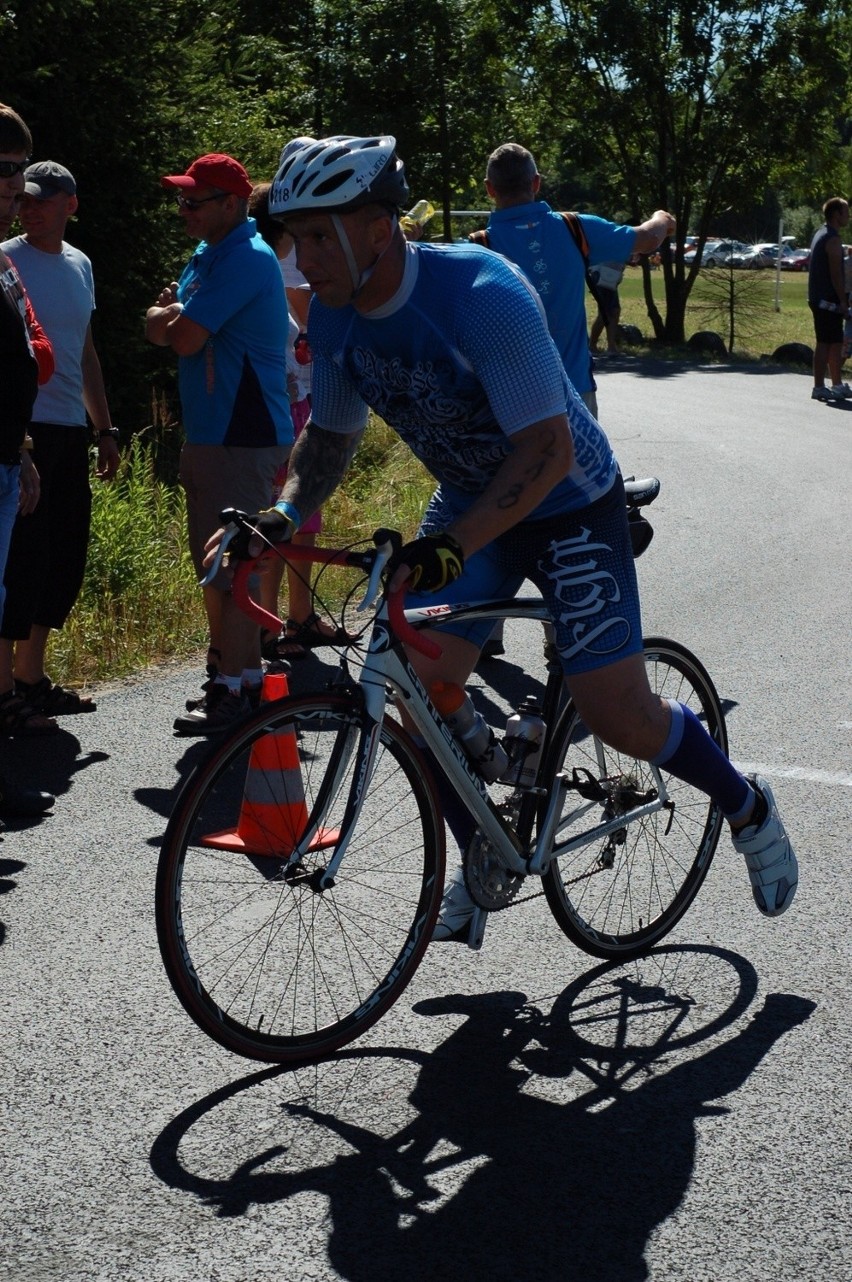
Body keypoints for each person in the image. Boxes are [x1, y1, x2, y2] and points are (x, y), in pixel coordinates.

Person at [208, 134, 798, 944]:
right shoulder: (339, 318)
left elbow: (549, 450)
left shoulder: (479, 292)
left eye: (318, 236)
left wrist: (453, 545)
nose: (301, 259)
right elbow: (332, 441)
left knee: (618, 713)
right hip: (473, 498)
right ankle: (483, 843)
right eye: (296, 238)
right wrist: (280, 515)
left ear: (378, 228)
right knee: (416, 677)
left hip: (569, 500)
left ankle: (746, 804)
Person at [145, 153, 292, 733]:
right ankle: (229, 676)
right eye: (180, 199)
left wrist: (167, 316)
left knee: (233, 570)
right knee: (215, 570)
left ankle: (239, 690)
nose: (183, 210)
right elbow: (167, 325)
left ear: (231, 204)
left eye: (194, 201)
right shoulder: (208, 255)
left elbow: (178, 337)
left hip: (242, 434)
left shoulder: (246, 259)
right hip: (212, 434)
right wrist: (167, 317)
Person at [1, 159, 119, 721]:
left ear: (70, 204)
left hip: (71, 429)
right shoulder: (8, 260)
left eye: (42, 199)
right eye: (24, 197)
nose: (29, 206)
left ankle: (31, 676)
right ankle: (8, 693)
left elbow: (85, 351)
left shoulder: (81, 264)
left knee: (64, 555)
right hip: (26, 431)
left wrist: (106, 429)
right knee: (24, 558)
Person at [475, 143, 674, 419]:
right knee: (586, 463)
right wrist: (661, 218)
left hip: (508, 401)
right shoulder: (574, 228)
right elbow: (648, 238)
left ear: (489, 188)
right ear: (536, 183)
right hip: (574, 392)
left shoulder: (476, 248)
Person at [246, 180, 346, 661]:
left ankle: (299, 618)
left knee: (303, 518)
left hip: (306, 397)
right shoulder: (265, 259)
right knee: (277, 518)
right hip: (282, 404)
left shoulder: (291, 252)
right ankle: (268, 627)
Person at [0, 103, 55, 817]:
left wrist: (24, 450)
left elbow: (22, 357)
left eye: (20, 169)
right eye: (5, 169)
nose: (16, 185)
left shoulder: (4, 263)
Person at [808, 196, 852, 402]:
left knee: (835, 342)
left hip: (821, 298)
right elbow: (836, 274)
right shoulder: (832, 239)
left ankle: (836, 384)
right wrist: (843, 301)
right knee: (825, 343)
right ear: (836, 214)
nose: (848, 216)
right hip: (827, 300)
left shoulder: (821, 233)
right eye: (846, 212)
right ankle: (818, 386)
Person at [589, 260, 626, 355]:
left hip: (609, 274)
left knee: (612, 311)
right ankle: (594, 346)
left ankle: (610, 346)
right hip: (604, 273)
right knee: (607, 312)